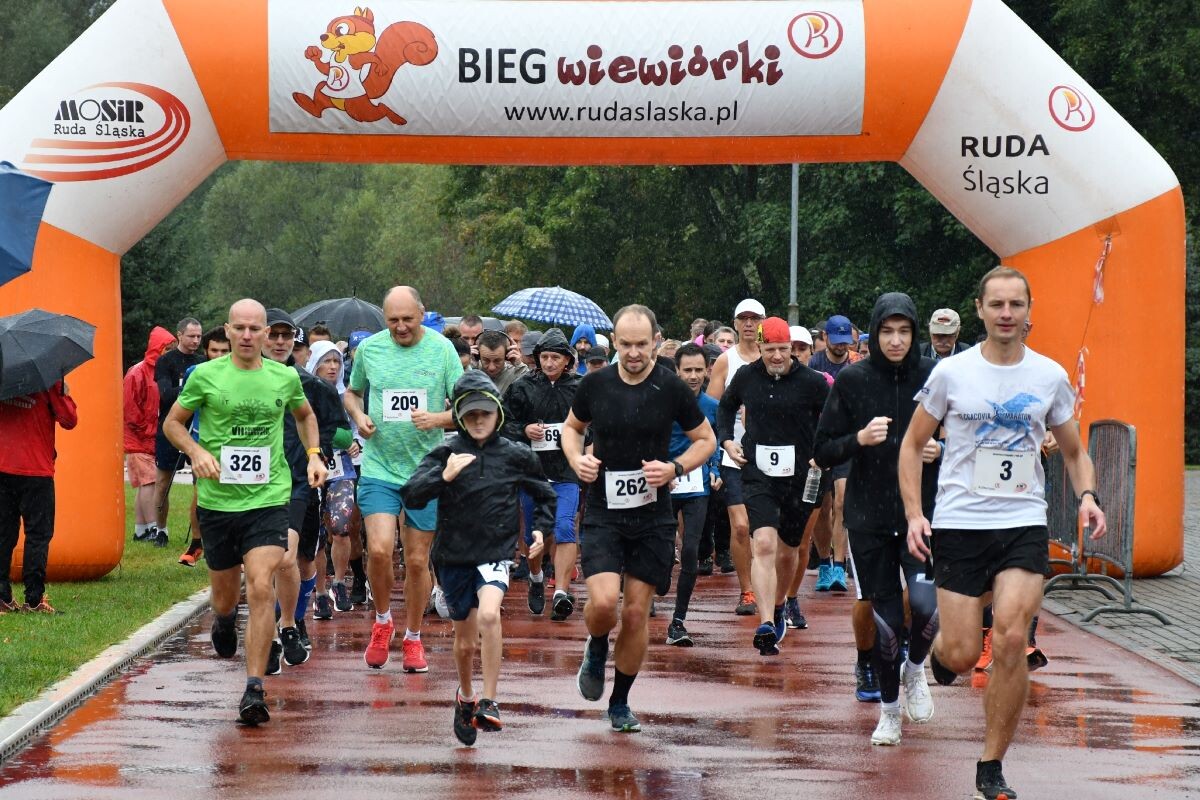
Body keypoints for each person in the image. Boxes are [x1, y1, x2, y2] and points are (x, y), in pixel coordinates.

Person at [899, 267, 1106, 800]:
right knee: (962, 653)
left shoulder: (1048, 376)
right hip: (961, 524)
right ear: (980, 309)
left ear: (1029, 310)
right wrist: (916, 514)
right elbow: (911, 444)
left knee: (1013, 636)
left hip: (1022, 522)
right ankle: (938, 653)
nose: (1007, 314)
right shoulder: (952, 373)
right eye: (997, 304)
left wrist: (1087, 496)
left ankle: (991, 765)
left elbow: (1075, 452)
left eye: (1016, 304)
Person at [164, 299, 326, 725]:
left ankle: (254, 688)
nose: (249, 335)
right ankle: (222, 619)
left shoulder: (284, 376)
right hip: (218, 502)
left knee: (259, 584)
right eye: (241, 328)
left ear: (266, 332)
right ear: (228, 330)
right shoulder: (205, 375)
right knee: (224, 596)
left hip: (268, 499)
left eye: (256, 328)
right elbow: (172, 424)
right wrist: (196, 451)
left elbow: (305, 416)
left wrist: (313, 455)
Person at [562, 304, 715, 732]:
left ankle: (620, 702)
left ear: (655, 342)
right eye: (625, 344)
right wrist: (576, 460)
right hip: (605, 511)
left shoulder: (671, 387)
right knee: (603, 604)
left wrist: (675, 468)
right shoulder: (595, 384)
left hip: (652, 515)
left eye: (641, 345)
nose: (633, 353)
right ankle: (596, 646)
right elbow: (572, 429)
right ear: (614, 342)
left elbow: (706, 439)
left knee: (635, 613)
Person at [815, 292, 943, 746]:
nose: (895, 340)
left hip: (921, 515)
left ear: (915, 333)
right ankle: (889, 713)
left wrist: (941, 449)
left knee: (927, 608)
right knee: (886, 622)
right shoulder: (852, 380)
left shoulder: (935, 376)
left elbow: (964, 437)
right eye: (887, 332)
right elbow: (823, 449)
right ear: (873, 334)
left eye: (904, 331)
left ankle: (916, 669)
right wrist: (859, 439)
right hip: (868, 516)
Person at [403, 370, 557, 744]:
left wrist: (539, 531)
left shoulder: (516, 454)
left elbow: (544, 495)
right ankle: (467, 696)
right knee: (465, 642)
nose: (478, 421)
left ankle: (489, 700)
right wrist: (444, 477)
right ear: (458, 416)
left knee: (489, 614)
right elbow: (412, 496)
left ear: (498, 413)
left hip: (495, 551)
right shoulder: (445, 453)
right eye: (469, 414)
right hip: (453, 556)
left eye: (484, 413)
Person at [344, 286, 463, 672]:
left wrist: (437, 418)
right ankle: (382, 622)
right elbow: (352, 393)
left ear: (422, 314)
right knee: (379, 549)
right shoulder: (370, 349)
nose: (400, 327)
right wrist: (359, 416)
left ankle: (413, 637)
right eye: (393, 320)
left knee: (416, 560)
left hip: (425, 471)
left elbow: (467, 406)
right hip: (379, 467)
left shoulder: (442, 350)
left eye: (407, 319)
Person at [718, 317, 828, 655]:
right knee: (763, 543)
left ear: (792, 349)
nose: (777, 356)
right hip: (759, 473)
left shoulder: (812, 382)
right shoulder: (746, 376)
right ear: (760, 347)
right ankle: (765, 622)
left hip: (800, 476)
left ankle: (779, 605)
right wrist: (727, 441)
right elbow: (726, 407)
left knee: (789, 549)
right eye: (770, 350)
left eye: (783, 349)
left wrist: (822, 453)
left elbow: (834, 419)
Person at [262, 308, 351, 671]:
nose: (281, 344)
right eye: (274, 336)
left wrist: (319, 453)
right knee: (269, 561)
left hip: (301, 482)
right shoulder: (239, 382)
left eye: (289, 339)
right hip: (257, 484)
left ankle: (294, 619)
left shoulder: (313, 386)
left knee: (299, 560)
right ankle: (274, 633)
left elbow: (340, 430)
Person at [503, 328, 584, 620]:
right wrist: (524, 429)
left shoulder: (580, 388)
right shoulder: (522, 387)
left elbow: (595, 422)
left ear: (567, 360)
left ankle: (561, 592)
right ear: (537, 359)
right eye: (545, 357)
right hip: (533, 472)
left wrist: (584, 443)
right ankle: (536, 576)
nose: (549, 363)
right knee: (534, 533)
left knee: (564, 527)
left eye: (556, 357)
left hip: (566, 470)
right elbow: (503, 422)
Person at [705, 298, 764, 616]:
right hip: (734, 455)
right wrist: (718, 448)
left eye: (755, 318)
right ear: (736, 322)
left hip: (770, 458)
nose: (749, 324)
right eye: (743, 318)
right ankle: (748, 591)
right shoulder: (726, 361)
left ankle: (775, 591)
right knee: (740, 527)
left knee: (767, 531)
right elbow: (711, 411)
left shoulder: (774, 356)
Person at [0, 380, 78, 614]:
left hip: (3, 465)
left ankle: (2, 596)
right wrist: (64, 393)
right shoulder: (47, 380)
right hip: (36, 471)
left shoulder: (5, 374)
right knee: (38, 536)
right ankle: (34, 600)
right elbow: (69, 420)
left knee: (3, 534)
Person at [665, 343, 723, 646]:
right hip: (665, 483)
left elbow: (717, 442)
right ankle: (658, 582)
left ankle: (678, 621)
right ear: (677, 371)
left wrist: (715, 469)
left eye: (699, 370)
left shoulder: (712, 406)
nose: (693, 376)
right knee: (662, 552)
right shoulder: (663, 402)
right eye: (687, 370)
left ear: (707, 371)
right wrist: (662, 469)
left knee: (690, 551)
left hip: (697, 486)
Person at [306, 341, 363, 615]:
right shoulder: (302, 391)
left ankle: (339, 583)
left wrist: (356, 442)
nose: (332, 367)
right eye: (326, 361)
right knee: (317, 533)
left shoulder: (347, 395)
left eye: (337, 362)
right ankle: (319, 593)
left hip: (342, 468)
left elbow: (357, 429)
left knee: (341, 526)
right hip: (311, 468)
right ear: (314, 364)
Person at [809, 314, 862, 592]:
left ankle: (840, 565)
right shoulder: (814, 363)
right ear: (825, 337)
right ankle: (824, 563)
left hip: (847, 440)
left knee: (842, 501)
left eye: (846, 342)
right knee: (822, 506)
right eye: (837, 341)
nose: (842, 346)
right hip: (820, 441)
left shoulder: (856, 363)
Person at [178, 326, 232, 567]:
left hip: (234, 444)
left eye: (224, 351)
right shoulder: (196, 372)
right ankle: (197, 543)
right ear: (206, 351)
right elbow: (184, 408)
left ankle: (228, 543)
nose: (218, 356)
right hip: (202, 441)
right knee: (200, 492)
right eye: (214, 351)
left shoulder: (241, 372)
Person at [153, 317, 204, 546]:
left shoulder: (203, 361)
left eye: (199, 336)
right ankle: (160, 529)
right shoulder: (166, 361)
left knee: (199, 484)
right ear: (180, 335)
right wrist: (189, 386)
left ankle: (199, 536)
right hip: (170, 426)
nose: (195, 341)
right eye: (191, 336)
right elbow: (165, 394)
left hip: (198, 427)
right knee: (163, 482)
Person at [124, 326, 176, 543]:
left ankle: (140, 529)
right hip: (139, 438)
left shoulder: (161, 371)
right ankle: (154, 527)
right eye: (167, 348)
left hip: (149, 436)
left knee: (145, 484)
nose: (170, 352)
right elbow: (130, 408)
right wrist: (147, 431)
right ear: (157, 348)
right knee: (149, 483)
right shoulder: (137, 372)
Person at [476, 329, 528, 395]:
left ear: (507, 355)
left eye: (497, 361)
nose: (491, 368)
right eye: (486, 360)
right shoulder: (472, 369)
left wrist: (520, 366)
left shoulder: (516, 374)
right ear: (477, 355)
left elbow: (529, 389)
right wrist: (469, 365)